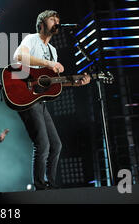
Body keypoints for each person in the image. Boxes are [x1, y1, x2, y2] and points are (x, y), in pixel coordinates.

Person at [13, 10, 91, 190]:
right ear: (41, 24)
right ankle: (40, 188)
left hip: (40, 100)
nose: (56, 21)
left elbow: (51, 84)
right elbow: (19, 57)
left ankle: (51, 185)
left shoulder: (53, 50)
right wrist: (49, 64)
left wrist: (75, 83)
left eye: (58, 18)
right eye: (52, 19)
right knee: (43, 144)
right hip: (25, 95)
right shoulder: (32, 39)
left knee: (56, 145)